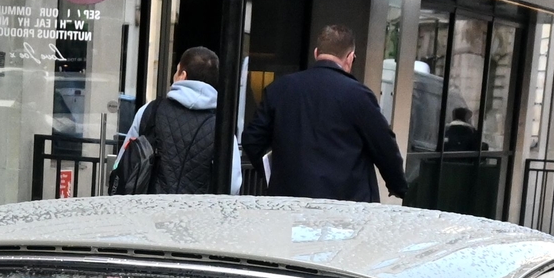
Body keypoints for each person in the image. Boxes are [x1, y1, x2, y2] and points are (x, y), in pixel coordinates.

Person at [240, 24, 407, 202]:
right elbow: (384, 146)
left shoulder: (280, 88)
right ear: (350, 58)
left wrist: (275, 176)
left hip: (289, 202)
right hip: (346, 204)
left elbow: (252, 140)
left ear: (316, 53)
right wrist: (397, 185)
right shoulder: (358, 95)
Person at [111, 46, 224, 195]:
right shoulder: (221, 126)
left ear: (183, 75)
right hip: (197, 215)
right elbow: (233, 183)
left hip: (146, 211)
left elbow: (123, 162)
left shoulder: (150, 111)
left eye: (176, 71)